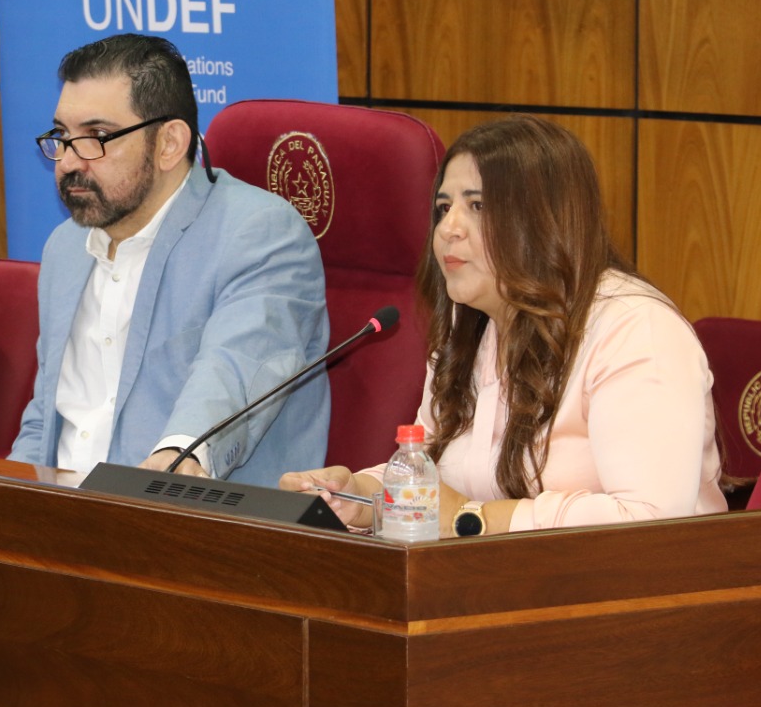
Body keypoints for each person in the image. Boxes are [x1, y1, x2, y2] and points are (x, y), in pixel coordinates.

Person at [281, 114, 727, 535]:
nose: (448, 228)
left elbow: (648, 520)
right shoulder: (472, 325)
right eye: (443, 207)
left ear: (544, 219)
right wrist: (361, 494)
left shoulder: (635, 330)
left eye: (477, 206)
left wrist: (476, 518)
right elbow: (435, 478)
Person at [8, 33, 329, 485]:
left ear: (169, 144)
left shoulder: (259, 234)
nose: (67, 161)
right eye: (62, 136)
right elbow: (48, 416)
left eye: (97, 137)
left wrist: (181, 452)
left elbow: (235, 367)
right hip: (63, 521)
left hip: (191, 527)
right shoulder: (65, 247)